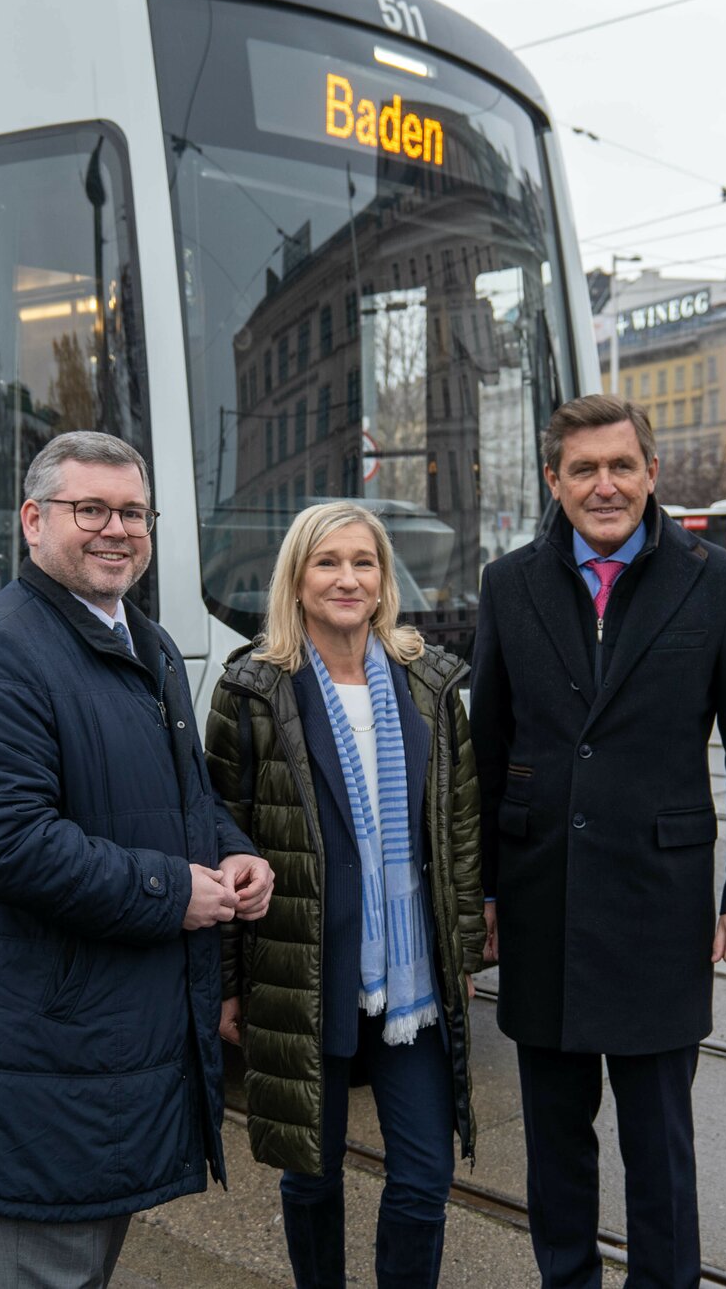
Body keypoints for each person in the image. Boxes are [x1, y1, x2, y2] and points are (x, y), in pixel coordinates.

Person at [0, 431, 275, 1289]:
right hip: (45, 1060)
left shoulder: (141, 640)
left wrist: (233, 854)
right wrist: (168, 892)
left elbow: (182, 798)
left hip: (100, 1049)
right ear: (35, 521)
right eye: (92, 510)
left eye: (133, 513)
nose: (116, 529)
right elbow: (6, 842)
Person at [469, 395, 726, 1289]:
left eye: (620, 467)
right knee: (555, 1144)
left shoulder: (717, 581)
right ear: (554, 481)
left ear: (652, 474)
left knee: (659, 1144)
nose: (603, 485)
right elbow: (486, 753)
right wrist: (482, 893)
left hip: (659, 906)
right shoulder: (510, 582)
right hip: (541, 905)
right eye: (583, 470)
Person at [204, 501, 485, 1289]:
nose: (347, 578)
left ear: (384, 579)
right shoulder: (252, 691)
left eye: (363, 562)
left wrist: (460, 949)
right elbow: (221, 839)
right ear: (296, 580)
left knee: (426, 1176)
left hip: (414, 974)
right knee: (311, 1174)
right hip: (301, 965)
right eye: (327, 562)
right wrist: (227, 982)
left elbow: (461, 832)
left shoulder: (431, 684)